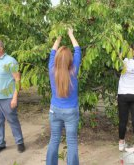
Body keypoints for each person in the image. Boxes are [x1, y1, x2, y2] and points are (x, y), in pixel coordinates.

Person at [46, 28, 81, 165]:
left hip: (55, 110)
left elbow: (52, 52)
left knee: (54, 139)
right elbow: (78, 50)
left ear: (56, 59)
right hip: (70, 111)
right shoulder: (73, 70)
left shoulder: (51, 69)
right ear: (70, 60)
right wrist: (70, 34)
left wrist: (59, 36)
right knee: (71, 142)